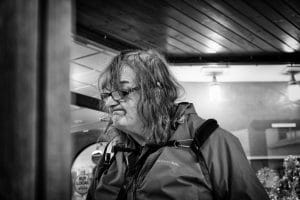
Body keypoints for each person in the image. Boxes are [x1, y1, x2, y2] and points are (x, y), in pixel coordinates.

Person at [87, 49, 269, 200]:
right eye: (106, 95)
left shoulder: (210, 141)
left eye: (123, 91)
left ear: (156, 92)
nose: (110, 103)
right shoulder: (113, 153)